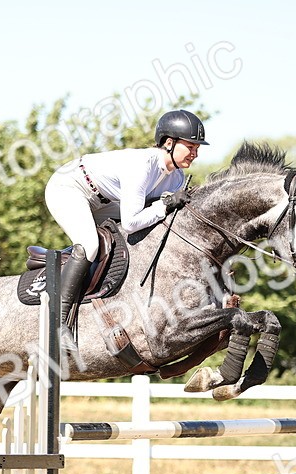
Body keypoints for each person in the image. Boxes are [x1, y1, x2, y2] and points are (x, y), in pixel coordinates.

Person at [44, 109, 208, 327]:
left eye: (196, 148)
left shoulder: (177, 177)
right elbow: (131, 222)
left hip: (106, 201)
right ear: (169, 142)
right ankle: (58, 321)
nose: (194, 154)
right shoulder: (142, 165)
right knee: (90, 244)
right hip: (71, 187)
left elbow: (152, 216)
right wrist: (166, 204)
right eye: (190, 146)